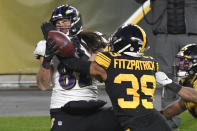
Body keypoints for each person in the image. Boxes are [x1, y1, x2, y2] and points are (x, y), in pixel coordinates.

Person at [59, 23, 172, 131]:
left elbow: (78, 66)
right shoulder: (150, 63)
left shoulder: (110, 61)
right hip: (157, 121)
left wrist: (60, 50)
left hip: (134, 123)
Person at [34, 4, 122, 131]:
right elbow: (43, 85)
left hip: (91, 105)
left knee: (125, 119)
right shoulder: (46, 45)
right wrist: (47, 59)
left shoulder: (92, 40)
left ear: (75, 21)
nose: (60, 25)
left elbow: (98, 74)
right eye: (57, 22)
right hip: (62, 107)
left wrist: (72, 51)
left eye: (65, 21)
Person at [135, 0, 197, 129]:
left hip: (192, 34)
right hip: (165, 36)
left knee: (194, 76)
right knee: (167, 79)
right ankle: (170, 121)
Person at [157, 43, 197, 119]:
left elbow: (195, 96)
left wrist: (169, 83)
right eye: (180, 62)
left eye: (186, 62)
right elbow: (180, 105)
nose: (181, 65)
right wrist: (158, 118)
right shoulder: (189, 80)